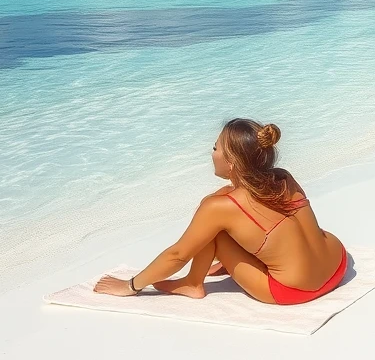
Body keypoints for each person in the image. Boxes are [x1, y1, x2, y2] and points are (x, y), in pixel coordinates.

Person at [93, 118, 347, 305]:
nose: (211, 152)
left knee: (215, 222)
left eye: (215, 148)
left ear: (231, 162)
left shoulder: (220, 207)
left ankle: (193, 283)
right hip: (337, 265)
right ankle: (215, 269)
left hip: (296, 290)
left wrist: (130, 285)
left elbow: (178, 254)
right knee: (249, 214)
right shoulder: (283, 177)